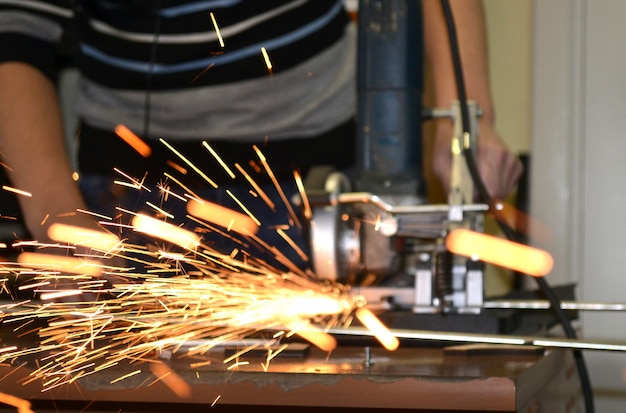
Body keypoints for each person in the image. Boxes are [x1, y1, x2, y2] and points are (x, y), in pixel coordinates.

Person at [0, 0, 522, 268]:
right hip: (130, 194)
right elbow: (16, 30)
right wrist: (58, 224)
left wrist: (466, 125)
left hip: (315, 180)